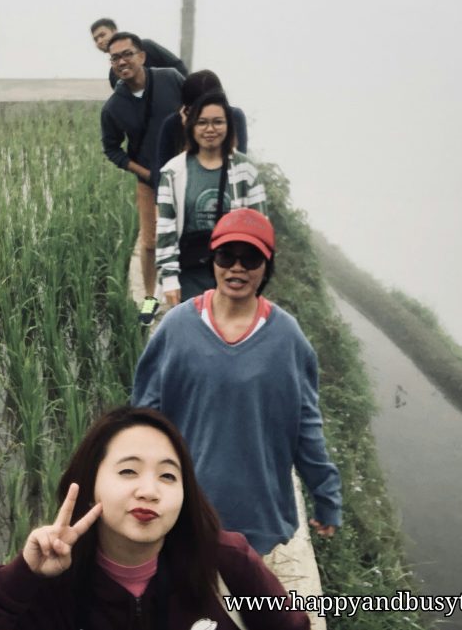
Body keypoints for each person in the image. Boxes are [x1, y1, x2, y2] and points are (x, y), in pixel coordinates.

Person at [0, 406, 309, 630]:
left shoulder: (224, 559)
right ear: (92, 484)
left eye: (168, 476)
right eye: (128, 472)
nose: (149, 491)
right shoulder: (49, 584)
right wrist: (22, 576)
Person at [133, 209, 342, 557]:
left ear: (267, 266)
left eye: (251, 258)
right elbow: (142, 418)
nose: (237, 268)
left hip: (254, 515)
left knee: (236, 607)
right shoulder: (177, 329)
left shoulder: (287, 339)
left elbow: (306, 425)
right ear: (212, 259)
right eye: (227, 255)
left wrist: (326, 495)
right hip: (182, 508)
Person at [100, 32, 185, 325]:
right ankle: (150, 299)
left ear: (142, 56)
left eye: (127, 54)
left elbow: (196, 109)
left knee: (188, 234)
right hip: (150, 179)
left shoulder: (170, 78)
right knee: (149, 243)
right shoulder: (113, 107)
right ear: (111, 64)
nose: (122, 61)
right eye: (115, 58)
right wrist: (145, 174)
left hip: (186, 173)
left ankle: (189, 295)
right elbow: (112, 149)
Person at [155, 89, 266, 306]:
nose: (210, 129)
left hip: (233, 271)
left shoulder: (246, 170)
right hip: (189, 273)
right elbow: (166, 228)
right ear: (192, 127)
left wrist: (255, 276)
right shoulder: (173, 171)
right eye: (202, 122)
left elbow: (261, 227)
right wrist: (169, 280)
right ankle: (146, 312)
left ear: (228, 126)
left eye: (218, 122)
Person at [155, 69, 249, 176]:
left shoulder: (234, 117)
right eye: (198, 114)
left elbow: (237, 168)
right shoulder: (172, 124)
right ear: (186, 109)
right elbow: (163, 176)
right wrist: (189, 131)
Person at [90, 18, 188, 89]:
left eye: (102, 35)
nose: (99, 41)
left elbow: (178, 66)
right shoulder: (113, 75)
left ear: (114, 31)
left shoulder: (146, 46)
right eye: (96, 39)